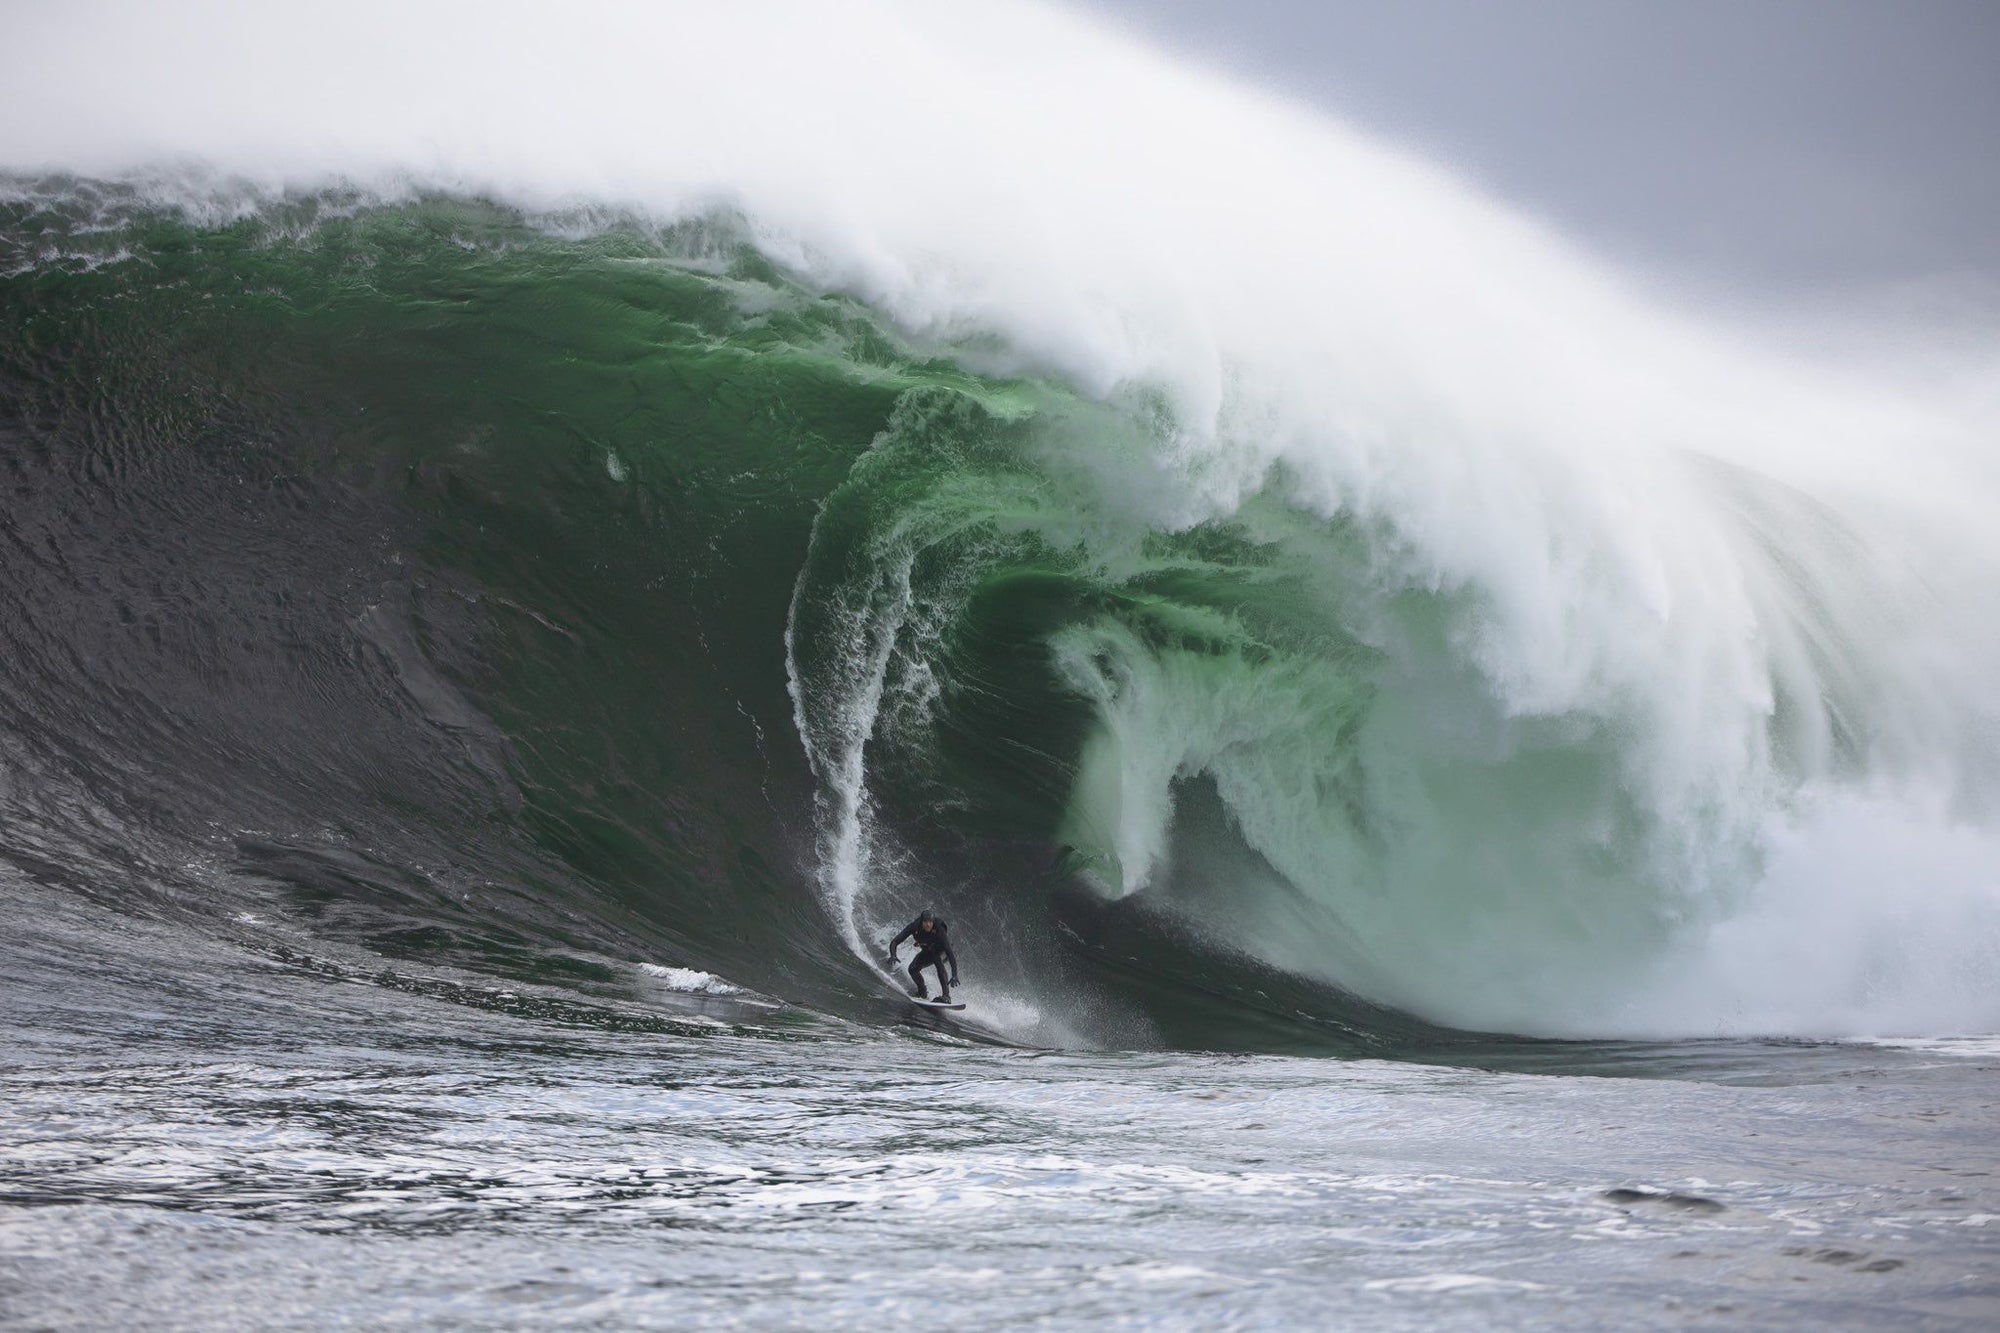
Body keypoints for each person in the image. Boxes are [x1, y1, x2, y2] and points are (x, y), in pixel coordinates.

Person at [887, 909, 958, 1002]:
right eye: (925, 922)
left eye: (930, 922)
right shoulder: (915, 926)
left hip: (944, 951)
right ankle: (922, 992)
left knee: (937, 959)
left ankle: (946, 996)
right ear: (921, 922)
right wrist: (893, 955)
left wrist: (954, 975)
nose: (928, 924)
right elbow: (895, 941)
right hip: (929, 950)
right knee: (912, 969)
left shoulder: (939, 929)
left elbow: (950, 952)